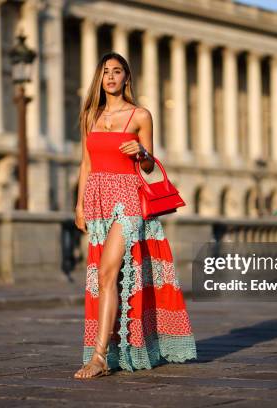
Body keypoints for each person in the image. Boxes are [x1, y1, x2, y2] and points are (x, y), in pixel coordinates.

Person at [73, 52, 197, 379]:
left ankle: (99, 357)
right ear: (99, 79)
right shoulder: (90, 116)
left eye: (117, 71)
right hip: (98, 197)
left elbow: (149, 166)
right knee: (105, 276)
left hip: (128, 196)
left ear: (127, 77)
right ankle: (115, 347)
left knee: (107, 273)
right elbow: (85, 164)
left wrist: (141, 153)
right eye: (105, 72)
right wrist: (79, 204)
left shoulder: (140, 115)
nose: (111, 77)